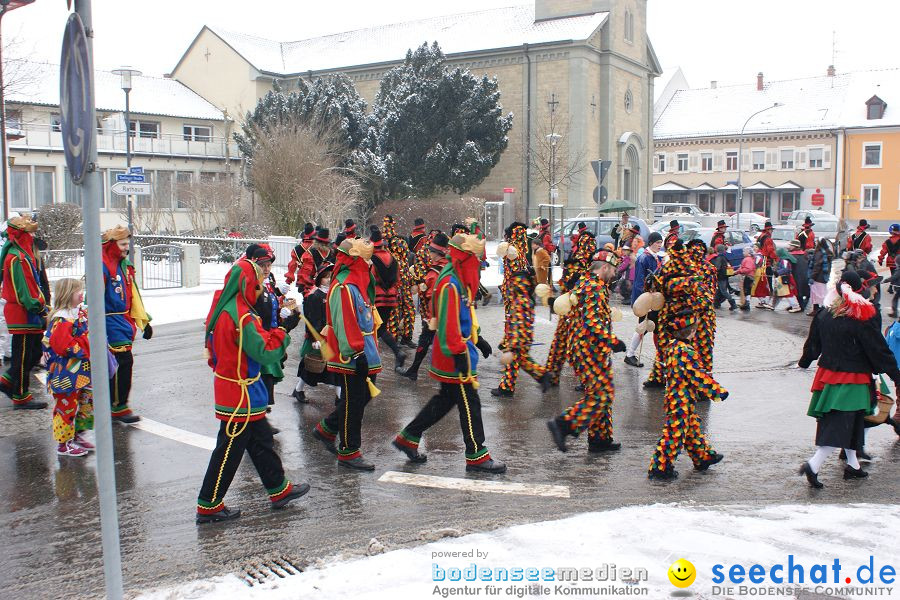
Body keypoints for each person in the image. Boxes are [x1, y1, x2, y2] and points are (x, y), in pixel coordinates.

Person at [196, 256, 308, 523]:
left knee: (261, 441)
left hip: (238, 389)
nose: (260, 287)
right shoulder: (242, 315)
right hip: (240, 394)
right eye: (256, 282)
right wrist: (283, 330)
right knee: (228, 451)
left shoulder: (226, 308)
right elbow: (265, 351)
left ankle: (278, 488)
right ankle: (209, 504)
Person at [392, 233, 504, 473]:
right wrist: (460, 354)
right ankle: (477, 454)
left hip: (456, 351)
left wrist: (478, 339)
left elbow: (463, 318)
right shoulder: (451, 282)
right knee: (469, 403)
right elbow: (449, 323)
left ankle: (408, 436)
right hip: (456, 355)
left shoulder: (454, 277)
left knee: (445, 401)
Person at [797, 271, 900, 488]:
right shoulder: (860, 319)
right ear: (859, 291)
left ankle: (853, 465)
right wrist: (896, 375)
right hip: (851, 379)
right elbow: (878, 351)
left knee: (853, 422)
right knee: (839, 424)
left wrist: (805, 361)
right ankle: (813, 465)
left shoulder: (825, 314)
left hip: (829, 377)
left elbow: (813, 344)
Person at [313, 238, 383, 471]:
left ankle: (326, 429)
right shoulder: (343, 286)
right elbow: (344, 323)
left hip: (364, 351)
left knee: (362, 397)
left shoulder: (357, 283)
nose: (368, 263)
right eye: (364, 259)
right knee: (353, 403)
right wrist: (357, 352)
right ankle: (349, 450)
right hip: (352, 354)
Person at [547, 252, 627, 453]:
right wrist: (613, 342)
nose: (615, 273)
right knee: (601, 395)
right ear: (605, 268)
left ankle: (600, 439)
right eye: (613, 269)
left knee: (602, 393)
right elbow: (592, 322)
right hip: (588, 350)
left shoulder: (589, 283)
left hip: (592, 349)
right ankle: (564, 424)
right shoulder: (593, 287)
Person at [648, 308, 727, 480]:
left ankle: (703, 457)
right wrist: (717, 391)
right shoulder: (686, 351)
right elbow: (696, 376)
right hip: (680, 399)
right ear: (691, 332)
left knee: (691, 427)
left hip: (679, 397)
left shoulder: (673, 346)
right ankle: (660, 467)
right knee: (674, 434)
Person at [101, 225, 152, 423]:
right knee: (120, 363)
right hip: (109, 321)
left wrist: (143, 321)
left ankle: (118, 403)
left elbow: (133, 295)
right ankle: (117, 405)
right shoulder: (103, 265)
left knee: (123, 363)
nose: (125, 248)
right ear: (112, 244)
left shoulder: (124, 265)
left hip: (123, 321)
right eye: (122, 244)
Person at [0, 214, 48, 409]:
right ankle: (20, 395)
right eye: (29, 234)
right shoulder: (17, 258)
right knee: (23, 354)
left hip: (28, 311)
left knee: (33, 352)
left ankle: (7, 381)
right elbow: (24, 290)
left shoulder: (23, 255)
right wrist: (38, 306)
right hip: (23, 311)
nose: (32, 237)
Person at [44, 278, 94, 456]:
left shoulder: (77, 314)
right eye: (77, 291)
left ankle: (78, 434)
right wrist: (87, 344)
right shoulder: (62, 319)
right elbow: (64, 345)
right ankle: (64, 443)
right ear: (67, 295)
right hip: (65, 375)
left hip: (81, 372)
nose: (82, 294)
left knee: (85, 403)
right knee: (66, 407)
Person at [491, 238, 544, 398]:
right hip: (518, 338)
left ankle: (539, 377)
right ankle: (508, 387)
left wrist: (510, 344)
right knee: (520, 360)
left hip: (517, 339)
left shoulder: (520, 299)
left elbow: (518, 323)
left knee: (518, 358)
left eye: (513, 282)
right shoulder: (522, 296)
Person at [542, 230, 596, 388]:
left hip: (580, 313)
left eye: (589, 245)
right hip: (569, 311)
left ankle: (585, 379)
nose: (587, 249)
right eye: (586, 245)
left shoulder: (593, 267)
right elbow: (565, 284)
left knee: (575, 346)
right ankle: (553, 375)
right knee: (562, 343)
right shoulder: (578, 264)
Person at [399, 233, 449, 381]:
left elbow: (430, 294)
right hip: (444, 315)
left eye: (432, 252)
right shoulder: (448, 267)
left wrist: (421, 287)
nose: (430, 255)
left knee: (426, 341)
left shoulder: (434, 273)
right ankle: (414, 370)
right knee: (427, 341)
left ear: (437, 253)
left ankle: (415, 371)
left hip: (434, 315)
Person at [248, 244, 289, 419]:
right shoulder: (252, 285)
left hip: (271, 334)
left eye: (268, 265)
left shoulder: (269, 279)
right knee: (263, 377)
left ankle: (261, 414)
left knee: (268, 378)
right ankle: (259, 417)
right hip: (261, 337)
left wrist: (281, 308)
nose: (266, 269)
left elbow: (271, 302)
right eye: (262, 265)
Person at [293, 262, 339, 403]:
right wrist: (316, 339)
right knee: (312, 367)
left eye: (331, 276)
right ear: (319, 279)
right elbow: (313, 320)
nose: (329, 279)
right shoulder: (315, 296)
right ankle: (298, 390)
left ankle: (339, 395)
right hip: (319, 336)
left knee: (334, 366)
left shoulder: (333, 294)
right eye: (326, 277)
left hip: (330, 335)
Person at [369, 226, 407, 369]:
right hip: (391, 298)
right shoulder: (392, 257)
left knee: (375, 329)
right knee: (381, 328)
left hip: (377, 299)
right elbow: (397, 279)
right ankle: (397, 353)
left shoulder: (372, 259)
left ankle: (373, 358)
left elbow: (370, 279)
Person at [624, 232, 663, 368]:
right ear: (651, 243)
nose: (660, 245)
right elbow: (640, 282)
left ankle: (660, 355)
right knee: (643, 327)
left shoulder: (656, 257)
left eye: (660, 242)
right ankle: (629, 354)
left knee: (655, 327)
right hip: (645, 299)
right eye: (657, 242)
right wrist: (645, 300)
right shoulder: (644, 258)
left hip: (653, 299)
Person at [297, 228, 335, 295]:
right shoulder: (331, 253)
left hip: (313, 285)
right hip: (328, 284)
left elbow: (305, 271)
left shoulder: (310, 253)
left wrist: (302, 284)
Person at [752, 222, 778, 310]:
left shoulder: (761, 236)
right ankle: (767, 300)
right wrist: (776, 259)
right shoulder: (768, 239)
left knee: (761, 280)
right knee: (767, 281)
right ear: (768, 230)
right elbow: (770, 250)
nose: (772, 231)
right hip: (766, 261)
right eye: (771, 230)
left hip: (760, 260)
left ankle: (763, 300)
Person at [285, 223, 315, 290]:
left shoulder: (297, 249)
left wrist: (288, 281)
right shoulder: (319, 248)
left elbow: (292, 265)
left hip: (302, 279)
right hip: (319, 278)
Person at [771, 247, 802, 313]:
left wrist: (777, 272)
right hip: (782, 278)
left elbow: (785, 269)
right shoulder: (782, 259)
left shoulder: (784, 260)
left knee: (788, 293)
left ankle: (796, 306)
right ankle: (773, 305)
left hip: (785, 278)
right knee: (779, 293)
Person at [808, 237, 833, 315]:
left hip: (818, 277)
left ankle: (817, 310)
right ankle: (821, 310)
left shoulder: (819, 253)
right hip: (824, 277)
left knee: (816, 295)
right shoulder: (828, 252)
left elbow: (817, 266)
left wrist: (812, 277)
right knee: (822, 294)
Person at [711, 244, 737, 311]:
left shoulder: (719, 258)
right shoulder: (724, 257)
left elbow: (717, 268)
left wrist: (713, 271)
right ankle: (716, 303)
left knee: (723, 291)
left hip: (720, 277)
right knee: (718, 290)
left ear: (717, 250)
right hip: (724, 276)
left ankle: (733, 304)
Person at [789, 239, 811, 311]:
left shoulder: (792, 256)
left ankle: (800, 306)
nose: (789, 247)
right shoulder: (804, 254)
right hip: (804, 275)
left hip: (796, 275)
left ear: (794, 246)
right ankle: (796, 305)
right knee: (800, 291)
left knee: (797, 291)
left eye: (790, 245)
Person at [736, 246, 756, 311]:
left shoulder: (747, 259)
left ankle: (746, 304)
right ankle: (746, 303)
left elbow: (748, 269)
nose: (743, 253)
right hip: (751, 276)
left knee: (746, 290)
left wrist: (739, 271)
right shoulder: (751, 259)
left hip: (748, 276)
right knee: (747, 291)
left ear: (748, 252)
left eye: (744, 251)